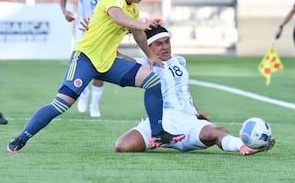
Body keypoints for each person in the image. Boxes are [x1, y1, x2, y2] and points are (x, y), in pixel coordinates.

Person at [7, 0, 185, 153]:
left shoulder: (133, 9)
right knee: (60, 104)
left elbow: (138, 35)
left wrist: (149, 55)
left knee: (153, 81)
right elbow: (117, 17)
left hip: (108, 62)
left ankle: (158, 134)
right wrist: (141, 24)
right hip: (85, 59)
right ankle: (21, 138)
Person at [115, 25, 275, 155]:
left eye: (167, 42)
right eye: (159, 44)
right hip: (161, 121)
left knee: (217, 132)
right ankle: (162, 138)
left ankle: (246, 146)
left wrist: (197, 112)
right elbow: (115, 57)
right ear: (147, 46)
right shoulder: (142, 64)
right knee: (123, 146)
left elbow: (182, 90)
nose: (165, 47)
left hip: (187, 120)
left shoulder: (179, 61)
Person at [60, 0, 118, 117]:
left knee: (100, 66)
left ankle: (95, 105)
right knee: (82, 65)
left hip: (102, 32)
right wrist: (66, 12)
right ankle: (84, 94)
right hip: (81, 30)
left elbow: (121, 1)